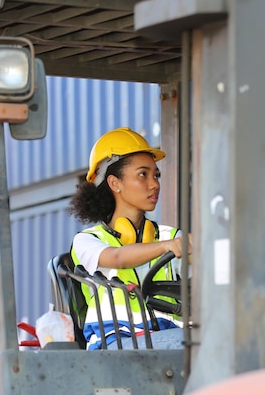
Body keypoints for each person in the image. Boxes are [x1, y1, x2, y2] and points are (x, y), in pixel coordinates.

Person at [68, 127, 190, 350]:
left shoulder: (171, 236)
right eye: (143, 175)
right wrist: (165, 247)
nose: (154, 184)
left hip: (167, 342)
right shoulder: (88, 240)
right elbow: (117, 257)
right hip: (115, 347)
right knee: (194, 345)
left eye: (156, 175)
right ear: (115, 183)